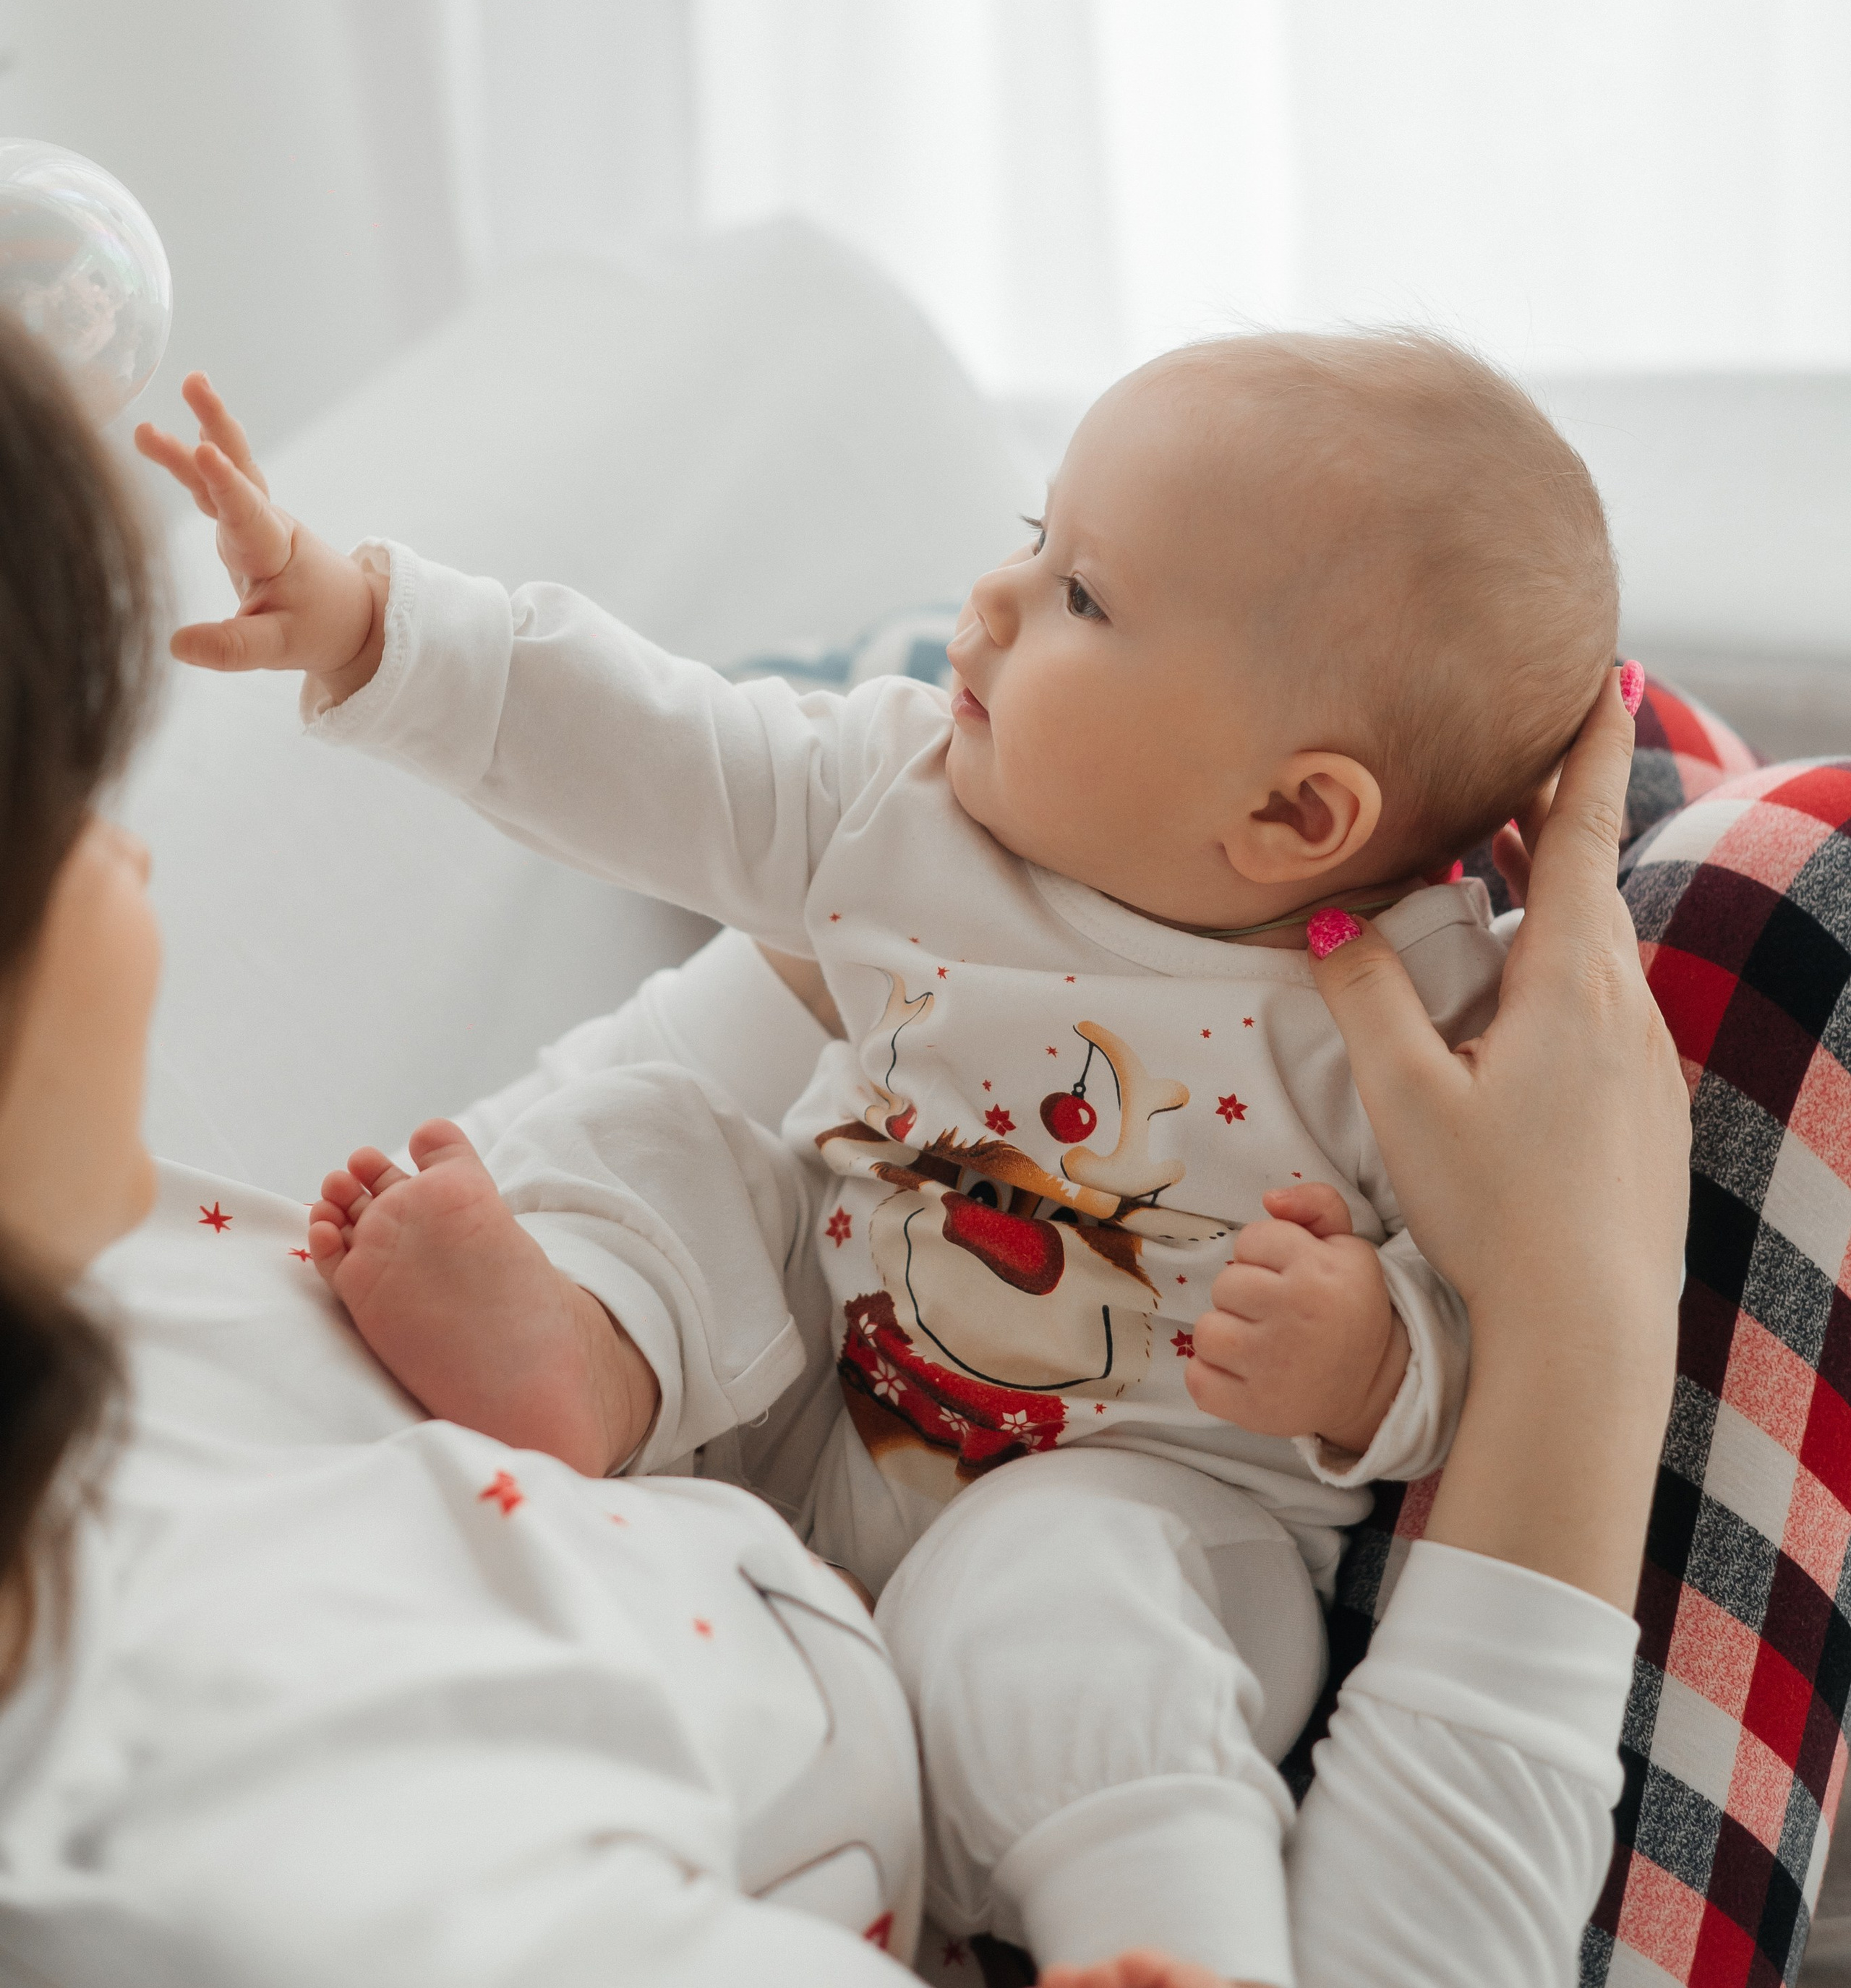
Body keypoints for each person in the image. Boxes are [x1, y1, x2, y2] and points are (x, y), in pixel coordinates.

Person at [0, 309, 1688, 1983]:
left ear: (1296, 816)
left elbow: (1464, 1313)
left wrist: (1367, 1356)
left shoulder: (1413, 1018)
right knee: (674, 1145)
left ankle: (1173, 1936)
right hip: (793, 1390)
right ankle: (581, 1351)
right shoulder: (904, 810)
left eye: (1077, 593)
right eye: (1036, 542)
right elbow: (660, 744)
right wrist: (377, 628)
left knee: (1066, 1593)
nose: (988, 600)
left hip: (1139, 1491)